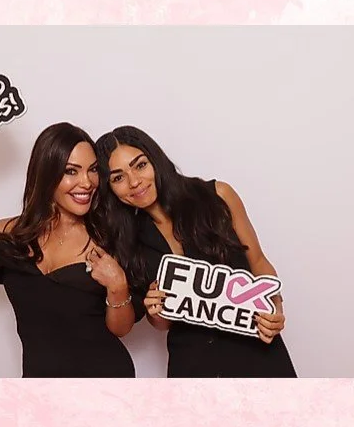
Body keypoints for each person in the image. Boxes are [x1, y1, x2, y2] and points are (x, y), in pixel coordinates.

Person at [95, 126, 297, 378]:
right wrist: (156, 312)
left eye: (140, 165)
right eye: (118, 178)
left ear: (155, 160)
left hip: (257, 352)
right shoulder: (128, 241)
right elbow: (162, 323)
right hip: (192, 366)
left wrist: (274, 307)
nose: (134, 182)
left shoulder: (218, 196)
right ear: (110, 188)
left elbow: (258, 261)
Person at [0, 124, 142, 378]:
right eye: (71, 171)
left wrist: (118, 285)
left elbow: (120, 329)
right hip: (38, 389)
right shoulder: (15, 232)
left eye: (93, 170)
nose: (87, 182)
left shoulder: (108, 236)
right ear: (47, 174)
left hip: (104, 385)